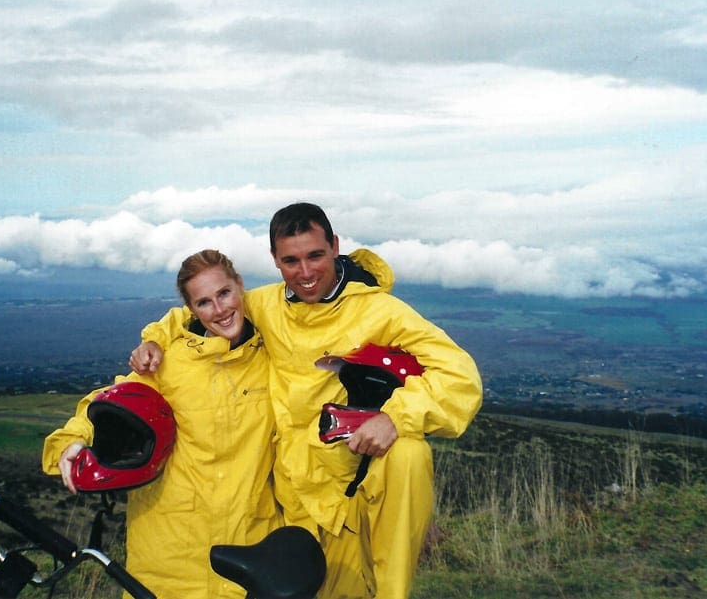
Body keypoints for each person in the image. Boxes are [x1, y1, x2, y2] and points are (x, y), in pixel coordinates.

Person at [131, 203, 483, 599]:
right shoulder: (265, 305)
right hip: (294, 506)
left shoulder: (379, 311)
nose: (306, 272)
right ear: (275, 261)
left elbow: (460, 375)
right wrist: (154, 339)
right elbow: (196, 311)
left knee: (409, 455)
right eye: (291, 260)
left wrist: (396, 418)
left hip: (353, 494)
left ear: (334, 246)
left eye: (315, 255)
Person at [43, 249, 281, 599]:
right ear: (191, 309)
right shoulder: (169, 362)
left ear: (239, 286)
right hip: (168, 557)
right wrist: (74, 440)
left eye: (224, 293)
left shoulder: (273, 357)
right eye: (204, 302)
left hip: (248, 550)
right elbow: (115, 403)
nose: (220, 309)